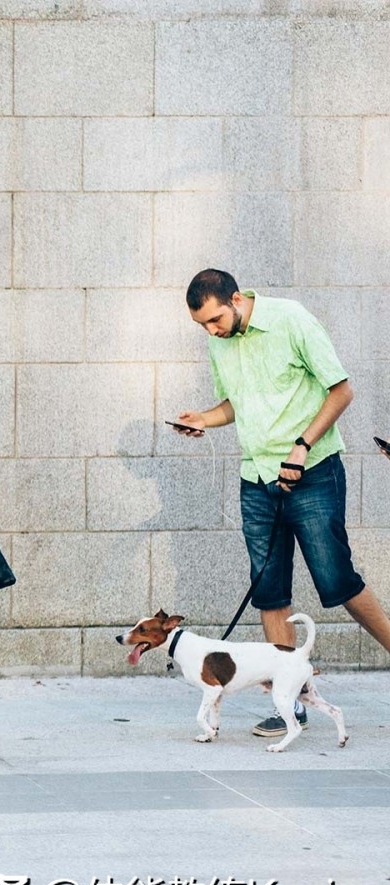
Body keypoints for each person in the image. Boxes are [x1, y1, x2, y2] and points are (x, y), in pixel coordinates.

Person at [174, 268, 390, 737]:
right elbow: (236, 403)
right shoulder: (220, 341)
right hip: (256, 479)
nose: (211, 332)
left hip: (311, 472)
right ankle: (290, 706)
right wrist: (205, 420)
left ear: (235, 298)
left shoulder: (291, 320)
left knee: (338, 580)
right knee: (269, 588)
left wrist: (302, 445)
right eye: (203, 326)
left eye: (214, 320)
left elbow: (341, 389)